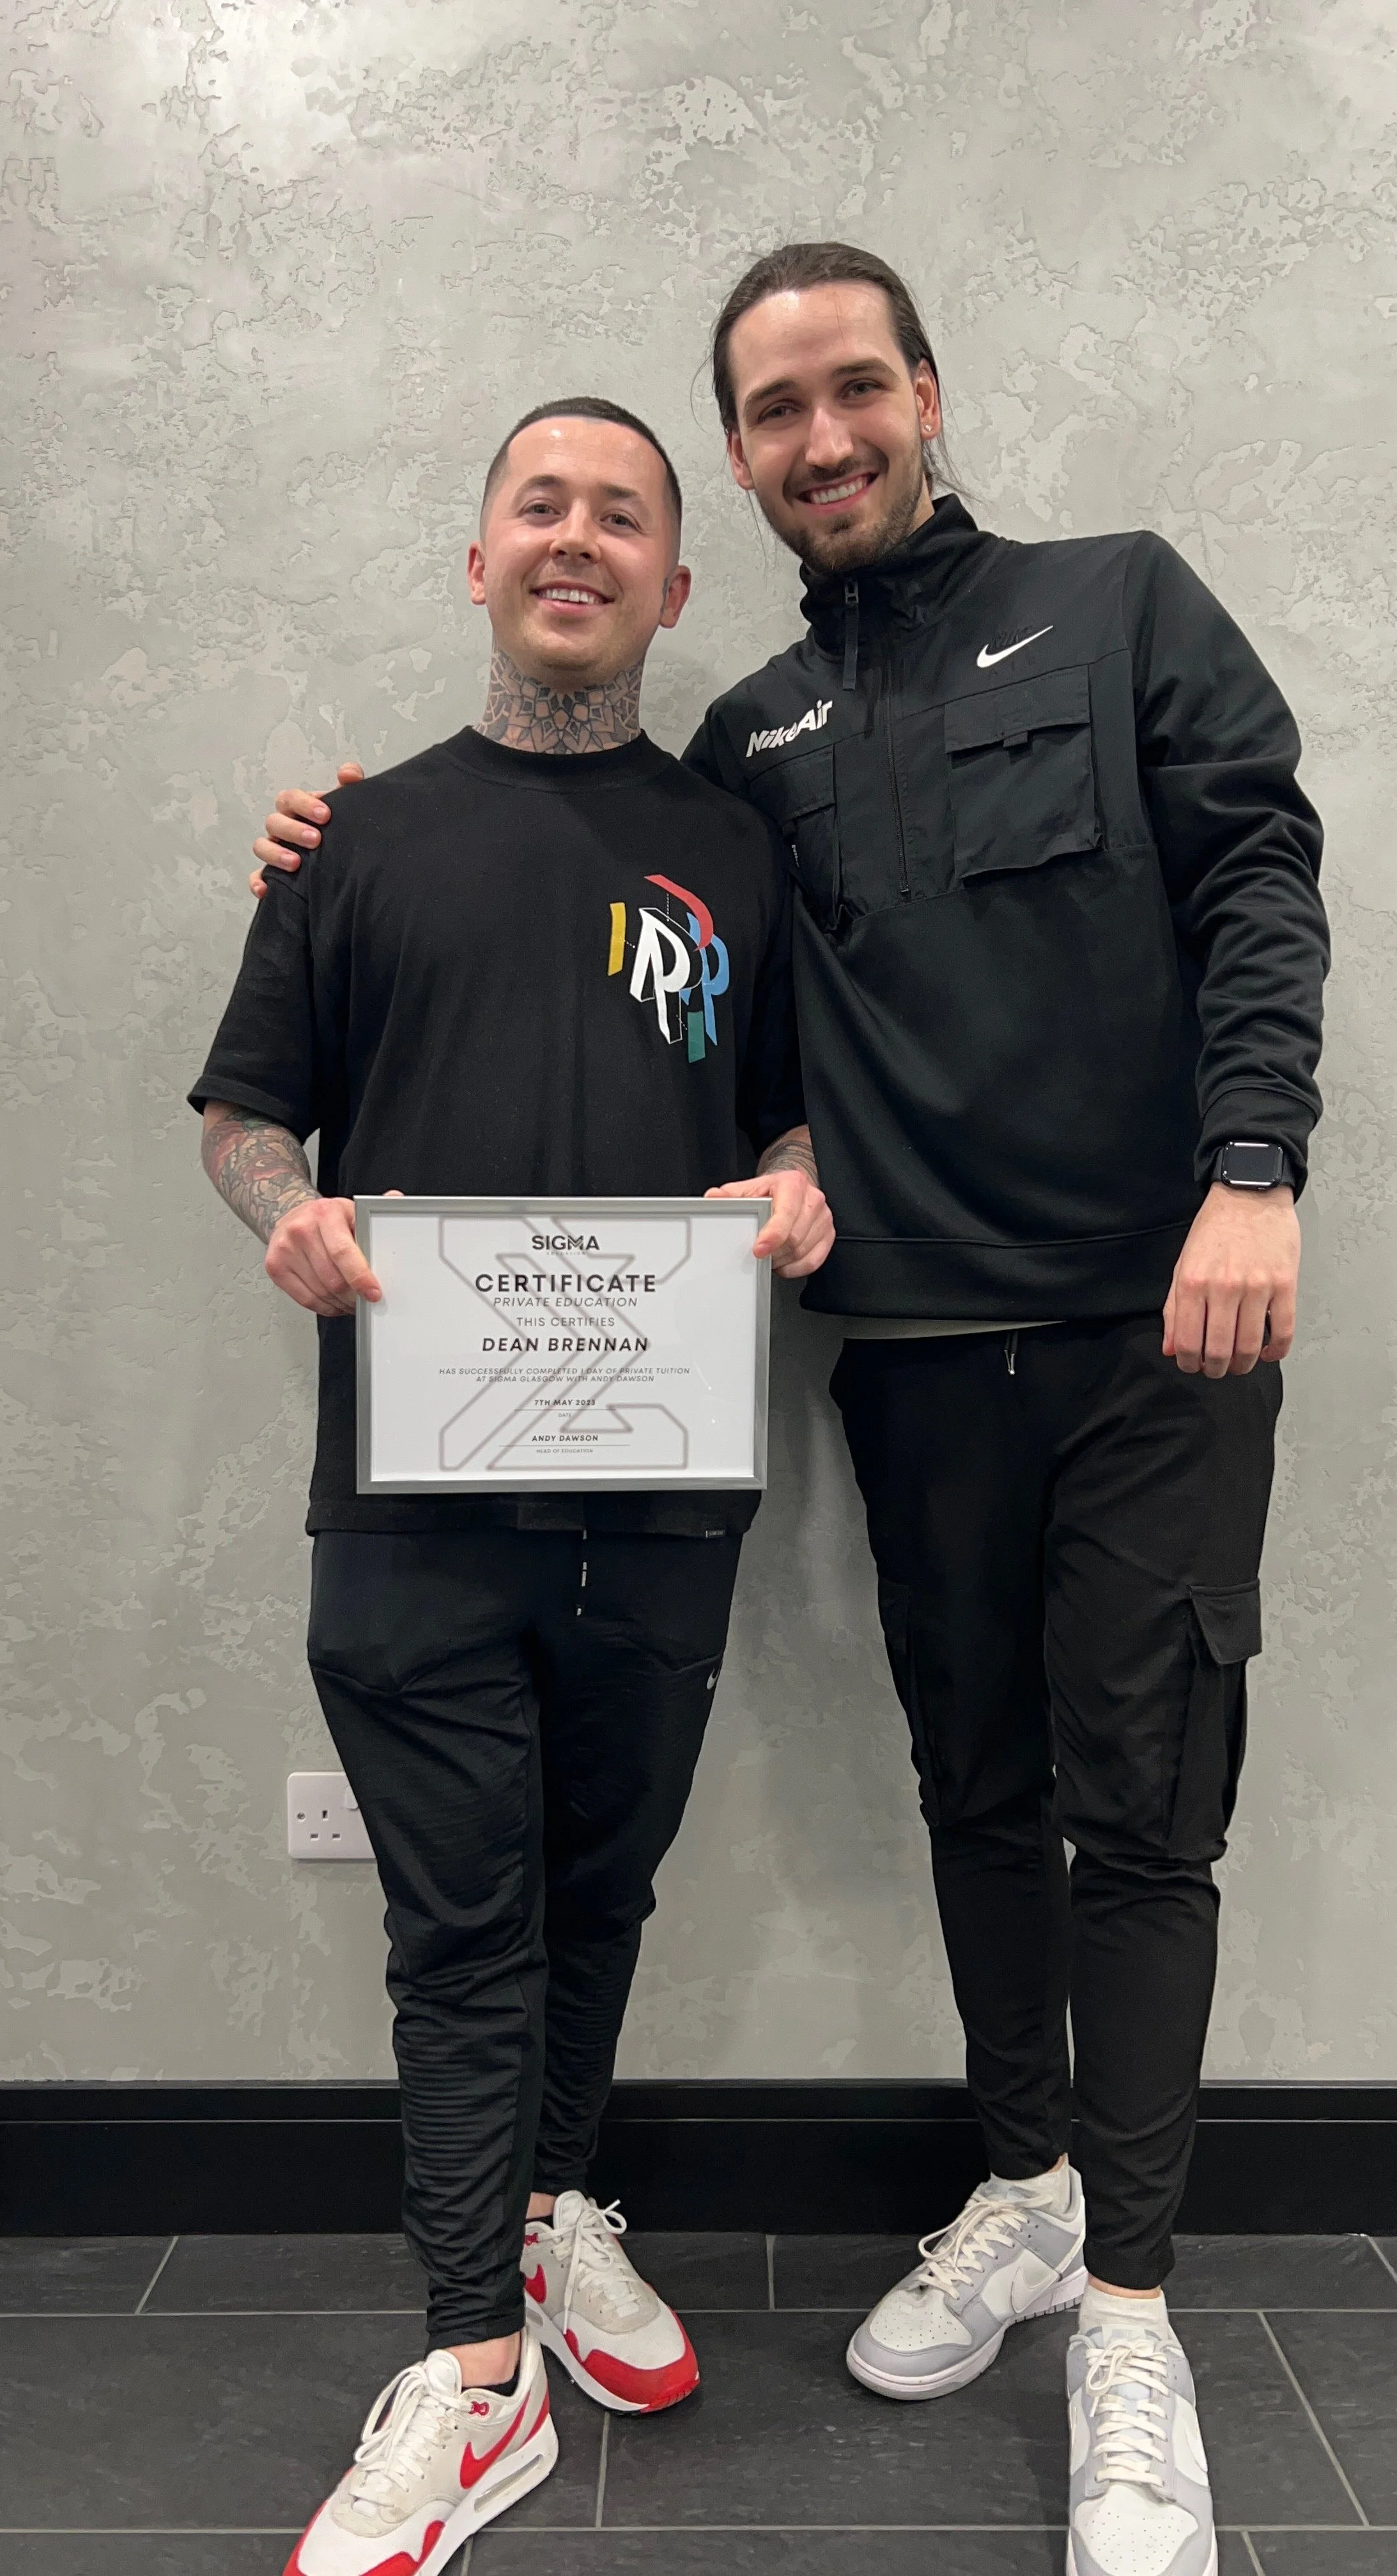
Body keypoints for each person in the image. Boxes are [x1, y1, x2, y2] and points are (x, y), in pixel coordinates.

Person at [253, 246, 1328, 2576]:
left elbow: (1262, 870)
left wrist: (1252, 1170)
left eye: (856, 389)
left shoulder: (1121, 601)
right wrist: (319, 854)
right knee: (976, 1791)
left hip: (1162, 1328)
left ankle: (1132, 2322)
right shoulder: (740, 758)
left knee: (1141, 1815)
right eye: (773, 411)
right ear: (736, 468)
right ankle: (1029, 2192)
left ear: (926, 396)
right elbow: (710, 1037)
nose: (823, 437)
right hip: (916, 1360)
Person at [191, 393, 830, 2576]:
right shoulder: (351, 839)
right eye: (538, 506)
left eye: (623, 517)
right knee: (462, 1923)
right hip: (410, 1489)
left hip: (664, 1490)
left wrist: (796, 1186)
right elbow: (245, 1113)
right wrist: (281, 1210)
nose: (578, 540)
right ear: (478, 560)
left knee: (604, 1888)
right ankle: (475, 2380)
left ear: (673, 579)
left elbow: (782, 1115)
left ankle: (551, 2218)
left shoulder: (741, 848)